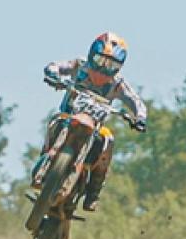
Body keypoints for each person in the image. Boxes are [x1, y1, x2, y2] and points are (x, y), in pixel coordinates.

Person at [31, 32, 148, 212]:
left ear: (118, 67)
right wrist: (53, 73)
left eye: (111, 65)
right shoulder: (79, 66)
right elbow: (58, 66)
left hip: (95, 128)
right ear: (92, 55)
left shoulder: (118, 84)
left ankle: (94, 191)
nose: (103, 68)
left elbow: (136, 101)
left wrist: (140, 117)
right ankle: (45, 159)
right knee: (55, 121)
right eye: (100, 61)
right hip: (68, 116)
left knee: (108, 140)